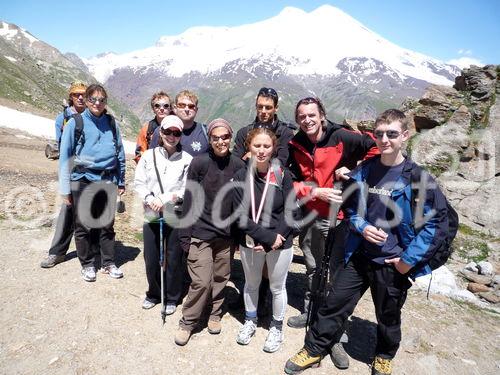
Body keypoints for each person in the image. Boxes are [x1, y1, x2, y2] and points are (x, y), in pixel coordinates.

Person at [284, 109, 450, 375]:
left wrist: (408, 261)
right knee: (335, 303)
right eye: (380, 134)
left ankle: (384, 355)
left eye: (392, 134)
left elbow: (435, 225)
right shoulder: (366, 171)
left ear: (405, 136)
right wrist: (363, 227)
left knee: (388, 314)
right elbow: (350, 210)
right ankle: (314, 348)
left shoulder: (418, 178)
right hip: (360, 254)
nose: (385, 139)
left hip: (393, 261)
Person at [286, 97, 379, 368]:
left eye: (311, 115)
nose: (307, 120)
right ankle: (311, 312)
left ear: (322, 115)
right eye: (302, 116)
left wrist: (356, 171)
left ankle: (336, 334)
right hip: (311, 214)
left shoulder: (342, 136)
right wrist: (312, 191)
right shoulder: (297, 143)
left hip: (339, 217)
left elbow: (377, 148)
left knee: (338, 278)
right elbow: (291, 179)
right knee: (314, 267)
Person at [175, 118, 244, 346]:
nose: (220, 141)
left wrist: (237, 237)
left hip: (225, 236)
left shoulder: (238, 166)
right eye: (216, 137)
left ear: (230, 138)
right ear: (210, 139)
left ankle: (215, 313)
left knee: (221, 277)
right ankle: (188, 321)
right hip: (200, 232)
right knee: (201, 282)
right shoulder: (199, 163)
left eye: (225, 137)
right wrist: (185, 235)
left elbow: (239, 205)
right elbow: (189, 201)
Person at [232, 128, 300, 353]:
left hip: (281, 241)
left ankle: (276, 327)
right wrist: (267, 238)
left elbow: (291, 211)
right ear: (249, 147)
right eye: (256, 146)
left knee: (277, 287)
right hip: (252, 242)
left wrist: (276, 239)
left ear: (274, 149)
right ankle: (250, 320)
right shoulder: (242, 176)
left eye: (266, 146)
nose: (261, 151)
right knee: (251, 284)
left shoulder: (282, 174)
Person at [58, 84, 126, 282]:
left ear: (106, 102)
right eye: (93, 99)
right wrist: (64, 189)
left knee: (107, 225)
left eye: (102, 100)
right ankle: (87, 264)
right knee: (83, 225)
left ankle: (108, 263)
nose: (98, 103)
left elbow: (120, 153)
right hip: (83, 179)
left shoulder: (111, 123)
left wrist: (121, 181)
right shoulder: (75, 122)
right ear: (86, 101)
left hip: (108, 179)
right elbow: (65, 157)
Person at [134, 115, 193, 311]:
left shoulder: (187, 160)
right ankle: (154, 293)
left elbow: (186, 188)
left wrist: (166, 198)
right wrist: (150, 198)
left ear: (180, 135)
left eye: (176, 133)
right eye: (168, 131)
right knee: (151, 256)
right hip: (151, 211)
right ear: (161, 132)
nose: (172, 136)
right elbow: (139, 182)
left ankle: (171, 297)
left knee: (174, 257)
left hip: (174, 212)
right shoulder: (148, 156)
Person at [40, 81, 89, 268]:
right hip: (73, 171)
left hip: (91, 172)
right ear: (71, 97)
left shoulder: (93, 116)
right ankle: (57, 252)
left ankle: (93, 251)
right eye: (76, 94)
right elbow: (63, 149)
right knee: (68, 210)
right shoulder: (63, 119)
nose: (80, 97)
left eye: (83, 94)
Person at [232, 87, 295, 166]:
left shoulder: (285, 133)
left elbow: (282, 163)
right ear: (256, 106)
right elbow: (234, 163)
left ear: (276, 108)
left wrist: (255, 158)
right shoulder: (244, 133)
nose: (263, 111)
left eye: (268, 108)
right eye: (260, 107)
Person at [150, 90, 209, 157]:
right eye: (182, 105)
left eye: (191, 106)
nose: (186, 109)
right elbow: (151, 158)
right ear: (175, 108)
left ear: (196, 110)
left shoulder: (206, 133)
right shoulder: (161, 131)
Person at [133, 91, 172, 163]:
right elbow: (139, 153)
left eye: (165, 106)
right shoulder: (146, 129)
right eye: (157, 106)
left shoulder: (177, 127)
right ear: (153, 109)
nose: (161, 108)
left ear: (170, 108)